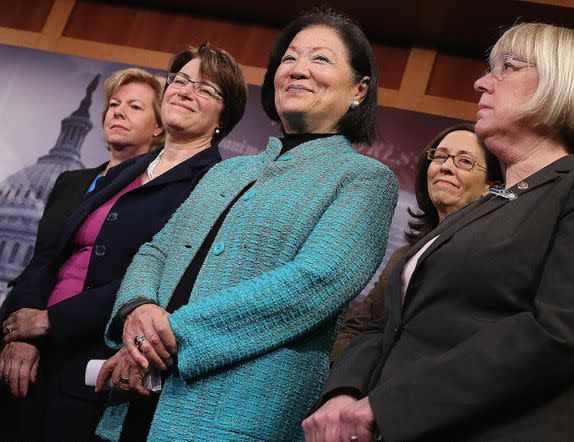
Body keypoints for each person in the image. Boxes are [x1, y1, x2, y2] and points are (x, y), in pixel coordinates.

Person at [304, 22, 574, 441]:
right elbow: (387, 323)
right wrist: (345, 392)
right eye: (488, 69)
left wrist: (390, 405)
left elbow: (563, 332)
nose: (482, 82)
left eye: (508, 67)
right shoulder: (480, 206)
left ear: (562, 85)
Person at [95, 10, 398, 442]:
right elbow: (155, 251)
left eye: (321, 59)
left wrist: (166, 336)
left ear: (359, 89)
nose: (297, 69)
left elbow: (315, 282)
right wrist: (136, 310)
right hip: (139, 401)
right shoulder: (227, 172)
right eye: (289, 58)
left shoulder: (364, 179)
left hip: (241, 412)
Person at [0, 43, 247, 441]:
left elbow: (168, 279)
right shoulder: (122, 169)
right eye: (180, 80)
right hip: (31, 358)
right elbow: (50, 254)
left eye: (204, 88)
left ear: (225, 115)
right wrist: (23, 331)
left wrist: (52, 322)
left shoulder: (217, 185)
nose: (184, 90)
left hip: (98, 365)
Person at [331, 123, 502, 362]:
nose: (446, 167)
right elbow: (357, 328)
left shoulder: (490, 262)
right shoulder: (404, 255)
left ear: (491, 187)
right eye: (440, 156)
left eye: (464, 162)